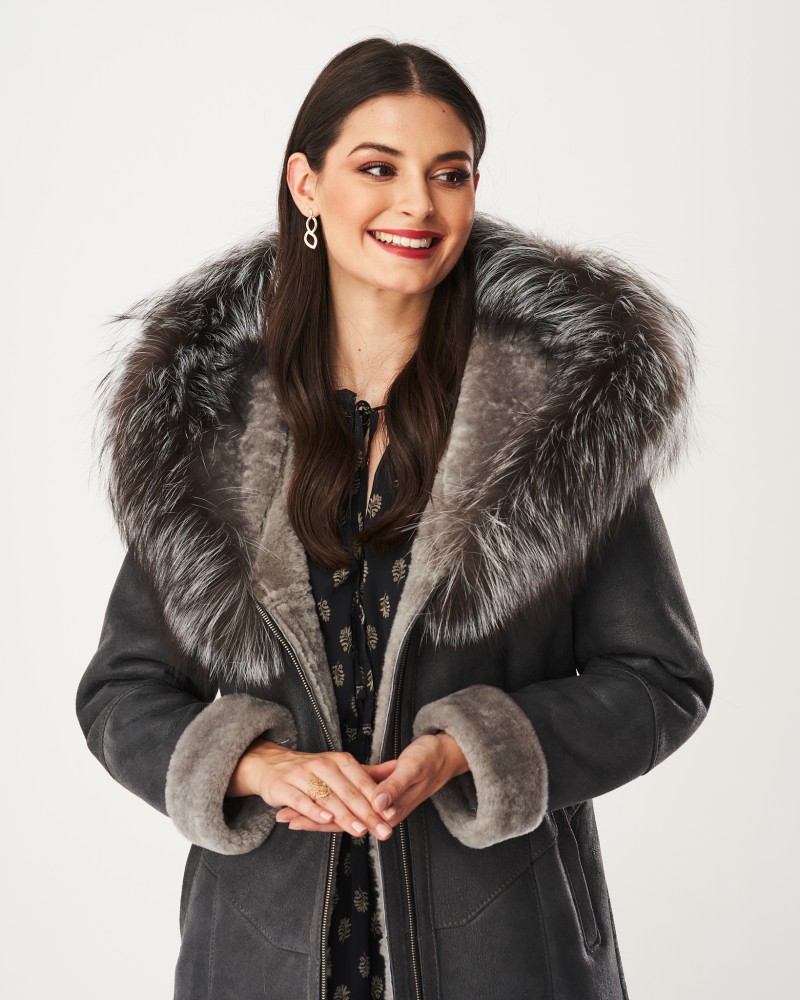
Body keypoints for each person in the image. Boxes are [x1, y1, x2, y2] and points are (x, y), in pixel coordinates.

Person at [76, 36, 713, 1000]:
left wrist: (475, 747)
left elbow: (661, 679)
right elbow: (122, 691)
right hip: (255, 959)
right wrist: (250, 765)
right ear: (307, 184)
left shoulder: (557, 419)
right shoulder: (207, 427)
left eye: (448, 174)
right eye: (379, 168)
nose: (418, 203)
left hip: (511, 957)